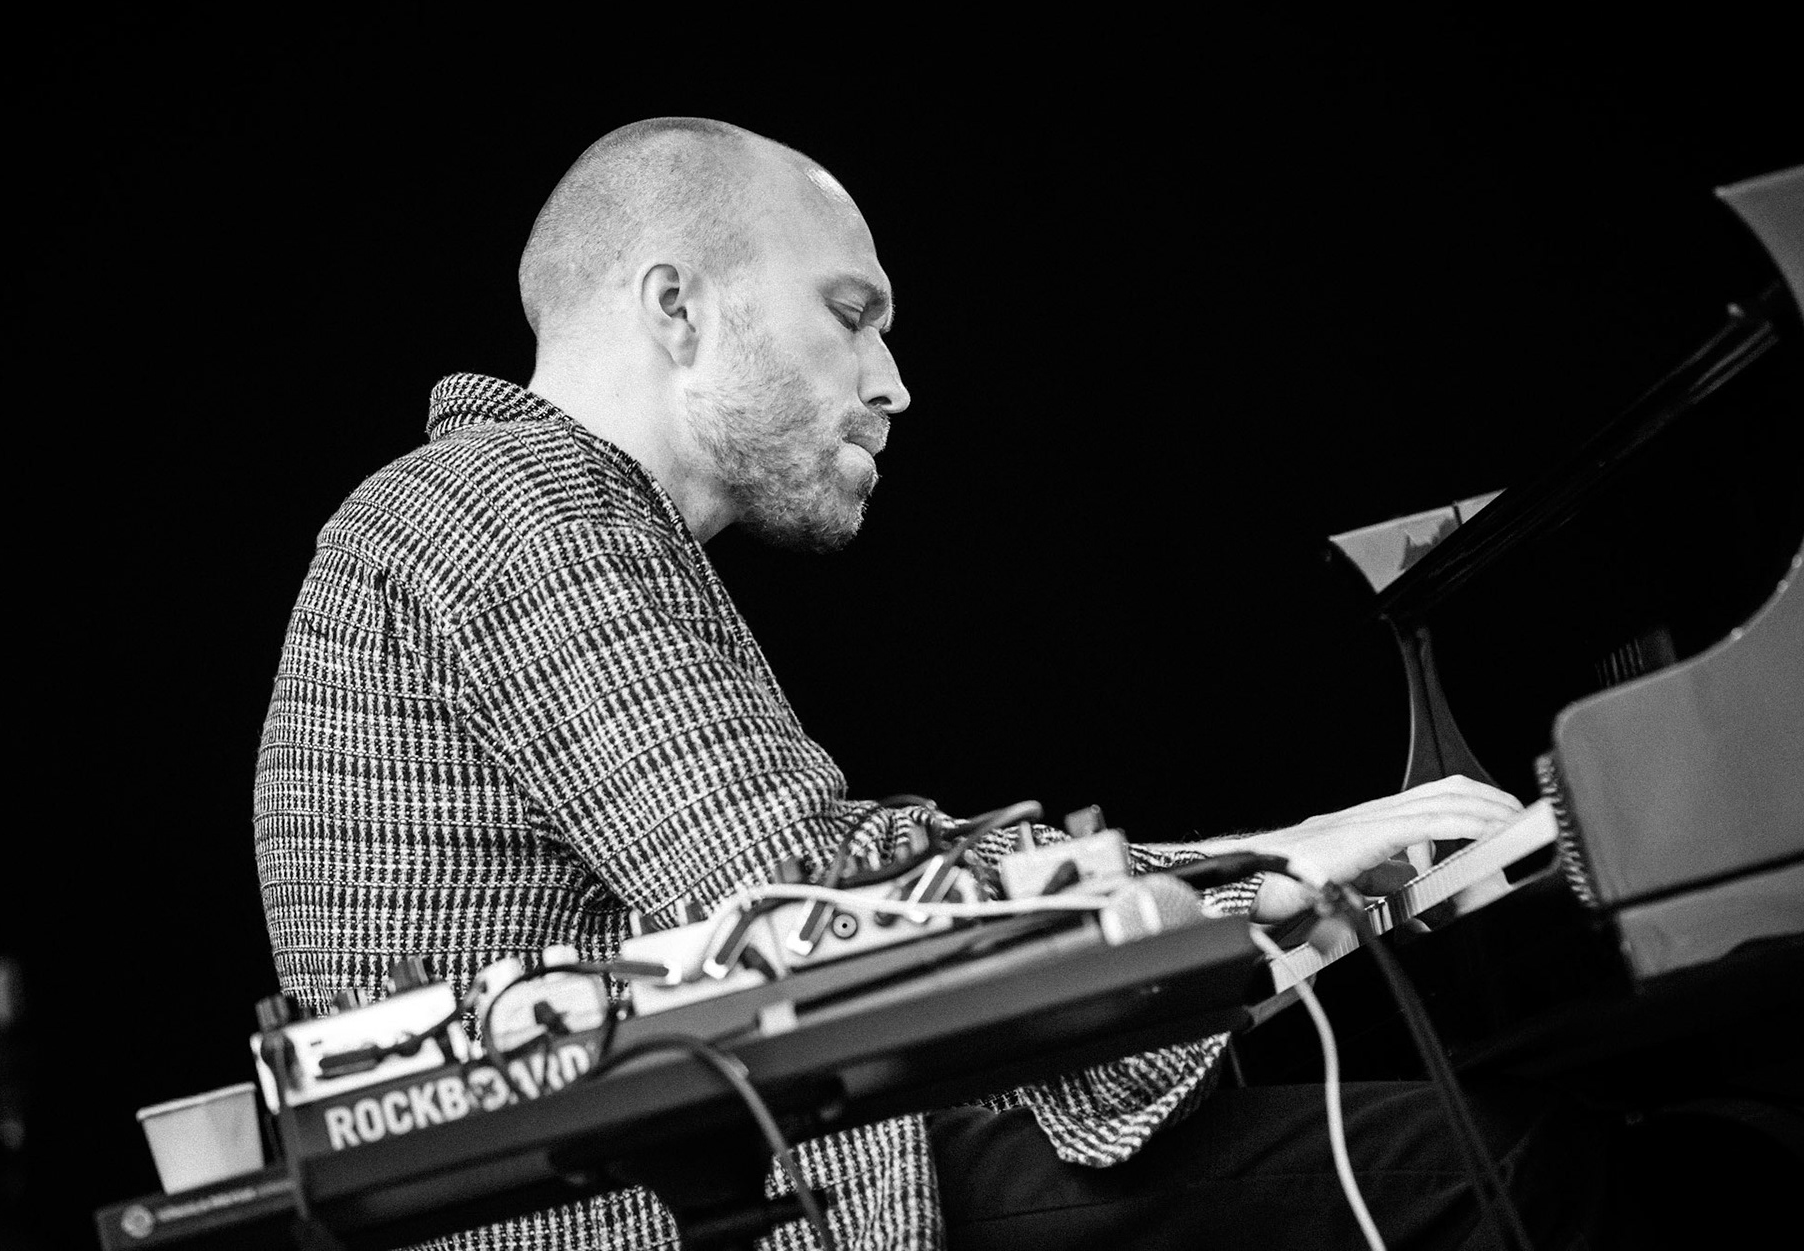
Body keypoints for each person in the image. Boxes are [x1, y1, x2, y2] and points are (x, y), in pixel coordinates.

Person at [253, 117, 1602, 1249]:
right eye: (850, 316)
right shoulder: (520, 507)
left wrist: (1242, 907)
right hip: (709, 1211)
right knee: (1499, 1171)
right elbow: (800, 905)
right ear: (676, 307)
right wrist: (1266, 865)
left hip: (759, 1166)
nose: (892, 383)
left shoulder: (511, 515)